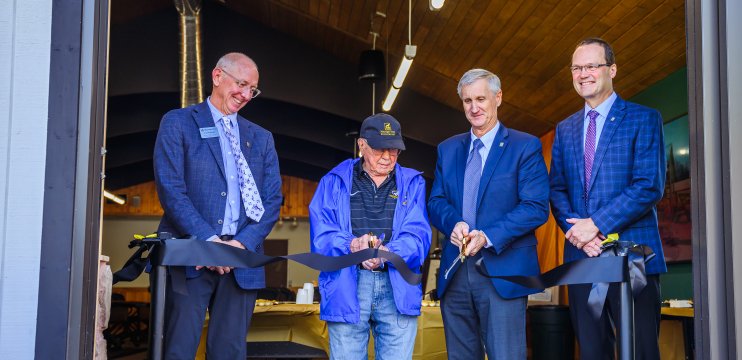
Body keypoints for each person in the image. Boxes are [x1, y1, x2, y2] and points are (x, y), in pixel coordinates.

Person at [153, 52, 282, 359]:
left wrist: (241, 243)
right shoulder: (178, 122)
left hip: (241, 260)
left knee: (229, 352)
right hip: (190, 256)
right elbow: (171, 190)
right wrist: (211, 243)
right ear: (217, 76)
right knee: (178, 350)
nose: (246, 94)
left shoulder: (262, 138)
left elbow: (272, 200)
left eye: (253, 89)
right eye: (241, 84)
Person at [549, 38, 666, 359]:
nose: (583, 73)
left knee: (641, 350)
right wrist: (579, 234)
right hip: (582, 260)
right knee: (592, 350)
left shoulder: (644, 118)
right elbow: (557, 190)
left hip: (632, 259)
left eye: (591, 66)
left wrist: (596, 225)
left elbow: (648, 185)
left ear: (611, 70)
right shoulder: (564, 129)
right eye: (576, 67)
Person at [428, 68, 550, 359]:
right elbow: (436, 202)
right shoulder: (447, 149)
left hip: (503, 272)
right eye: (467, 100)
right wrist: (454, 223)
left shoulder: (525, 146)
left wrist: (488, 235)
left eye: (481, 98)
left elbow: (535, 207)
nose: (474, 107)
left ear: (498, 97)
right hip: (455, 273)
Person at [309, 113, 431, 360]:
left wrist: (386, 253)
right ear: (361, 145)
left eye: (394, 150)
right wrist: (352, 244)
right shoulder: (333, 181)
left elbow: (418, 235)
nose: (387, 157)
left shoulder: (413, 183)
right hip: (347, 284)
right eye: (379, 149)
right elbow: (321, 235)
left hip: (397, 287)